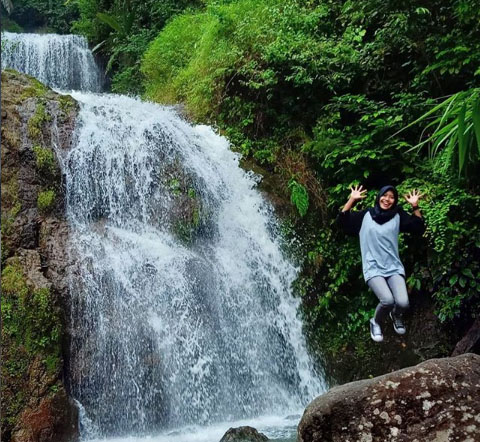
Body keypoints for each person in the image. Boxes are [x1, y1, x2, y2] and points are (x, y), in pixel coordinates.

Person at [337, 184, 425, 342]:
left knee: (403, 303)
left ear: (395, 200)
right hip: (373, 267)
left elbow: (418, 228)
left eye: (392, 197)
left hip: (393, 267)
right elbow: (342, 222)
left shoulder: (398, 215)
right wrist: (351, 200)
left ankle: (396, 315)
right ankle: (375, 322)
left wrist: (415, 206)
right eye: (385, 195)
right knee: (387, 300)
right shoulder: (365, 215)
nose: (387, 199)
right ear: (379, 197)